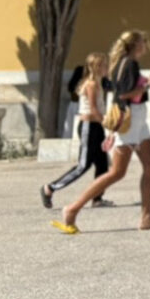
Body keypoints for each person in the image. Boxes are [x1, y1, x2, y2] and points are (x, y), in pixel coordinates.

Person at [55, 31, 150, 234]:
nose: (145, 45)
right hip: (131, 120)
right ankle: (72, 209)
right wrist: (147, 86)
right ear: (135, 44)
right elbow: (124, 94)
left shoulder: (122, 63)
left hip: (137, 120)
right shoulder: (129, 64)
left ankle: (146, 217)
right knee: (117, 172)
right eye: (142, 42)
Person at [40, 52, 110, 209]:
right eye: (104, 65)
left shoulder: (99, 83)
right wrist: (107, 123)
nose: (107, 67)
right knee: (83, 166)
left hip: (96, 127)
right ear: (96, 67)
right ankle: (49, 188)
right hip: (88, 127)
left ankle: (97, 199)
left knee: (102, 164)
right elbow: (93, 109)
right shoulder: (91, 84)